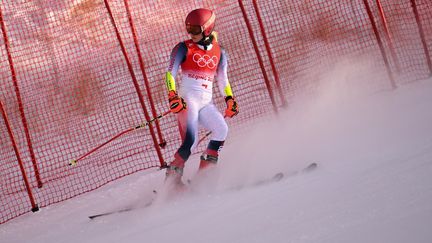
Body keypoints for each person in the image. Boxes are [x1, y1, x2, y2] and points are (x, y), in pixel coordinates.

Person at [164, 8, 239, 187]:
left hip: (206, 102)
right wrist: (173, 95)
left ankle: (205, 173)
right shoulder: (183, 48)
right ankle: (172, 182)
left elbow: (223, 80)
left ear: (206, 28)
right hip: (187, 99)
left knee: (221, 130)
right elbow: (170, 74)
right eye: (188, 29)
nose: (191, 33)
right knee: (191, 141)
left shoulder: (220, 52)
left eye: (195, 29)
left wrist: (229, 99)